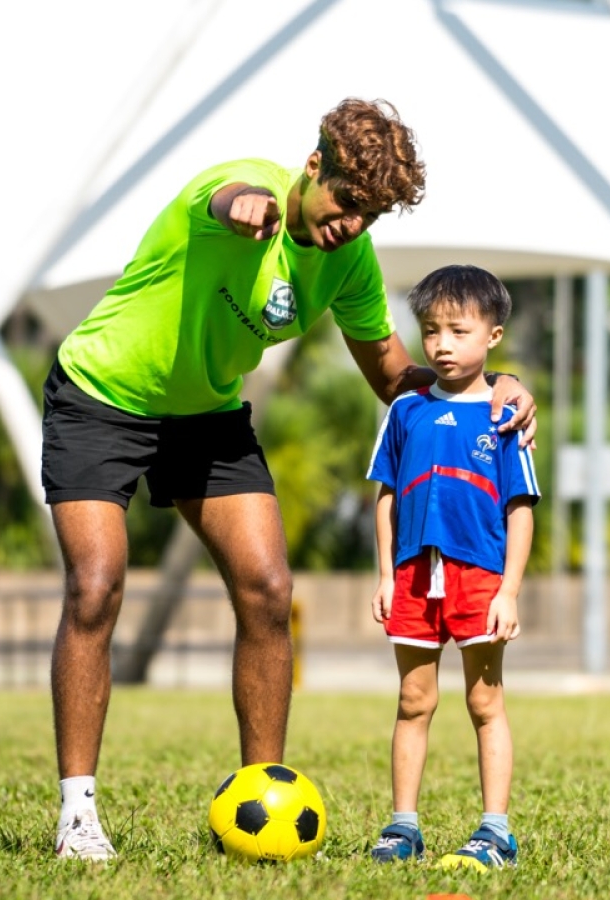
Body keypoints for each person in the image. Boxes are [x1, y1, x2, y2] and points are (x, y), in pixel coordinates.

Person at [40, 98, 537, 861]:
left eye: (371, 215)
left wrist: (494, 387)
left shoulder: (349, 261)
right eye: (346, 202)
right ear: (314, 168)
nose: (352, 226)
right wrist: (241, 209)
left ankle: (260, 799)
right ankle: (78, 815)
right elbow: (221, 197)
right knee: (97, 584)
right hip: (101, 396)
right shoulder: (244, 189)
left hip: (206, 413)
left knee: (269, 588)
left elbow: (394, 374)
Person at [364, 265, 538, 871]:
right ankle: (403, 826)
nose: (441, 344)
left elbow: (520, 511)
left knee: (485, 702)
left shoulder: (505, 414)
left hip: (480, 580)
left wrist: (509, 591)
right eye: (431, 330)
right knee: (413, 700)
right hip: (413, 576)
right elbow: (384, 495)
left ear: (492, 335)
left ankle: (496, 831)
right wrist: (386, 574)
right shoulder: (406, 410)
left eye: (458, 331)